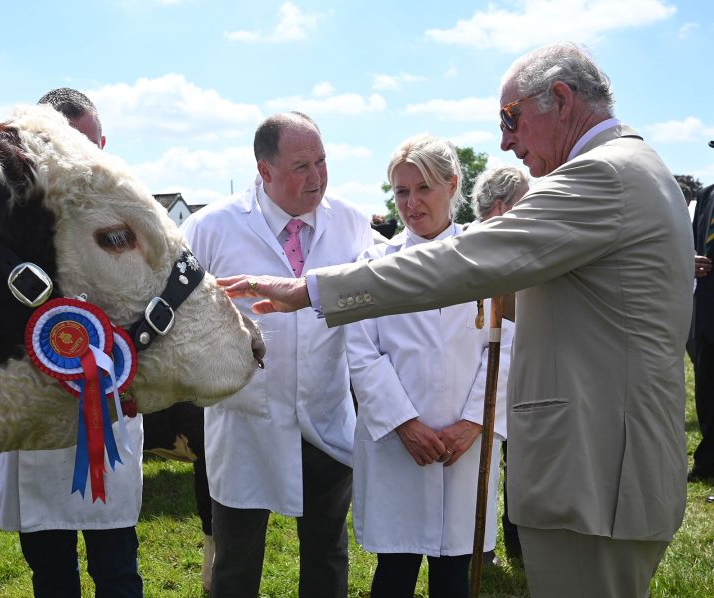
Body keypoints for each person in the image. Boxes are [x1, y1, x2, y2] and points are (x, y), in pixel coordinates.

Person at [219, 42, 694, 598]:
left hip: (595, 470)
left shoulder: (603, 177)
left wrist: (311, 289)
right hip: (595, 462)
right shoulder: (631, 168)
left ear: (561, 100)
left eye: (510, 118)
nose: (504, 141)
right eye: (401, 190)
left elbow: (467, 265)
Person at [181, 111, 373, 598]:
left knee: (327, 555)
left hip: (326, 416)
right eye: (302, 166)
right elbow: (176, 316)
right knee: (237, 563)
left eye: (322, 162)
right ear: (264, 171)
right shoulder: (210, 228)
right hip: (246, 422)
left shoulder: (351, 223)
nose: (318, 177)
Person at [346, 134, 512, 598]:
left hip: (465, 443)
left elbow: (507, 346)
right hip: (399, 444)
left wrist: (476, 422)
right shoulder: (373, 265)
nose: (411, 203)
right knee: (394, 572)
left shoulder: (488, 258)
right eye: (402, 191)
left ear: (452, 185)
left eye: (423, 188)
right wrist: (405, 423)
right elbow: (361, 350)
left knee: (453, 572)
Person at [0, 87, 144, 598]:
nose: (86, 158)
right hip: (39, 418)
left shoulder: (132, 219)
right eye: (71, 146)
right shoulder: (10, 223)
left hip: (112, 411)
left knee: (119, 567)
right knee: (51, 573)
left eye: (92, 144)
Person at [470, 165, 530, 563]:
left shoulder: (524, 243)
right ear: (500, 206)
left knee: (519, 462)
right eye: (527, 201)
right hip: (482, 372)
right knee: (486, 461)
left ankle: (514, 544)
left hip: (521, 365)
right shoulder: (473, 246)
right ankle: (482, 546)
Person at [688, 140, 714, 482]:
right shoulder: (707, 195)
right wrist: (690, 261)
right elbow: (694, 242)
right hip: (706, 311)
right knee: (706, 389)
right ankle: (707, 461)